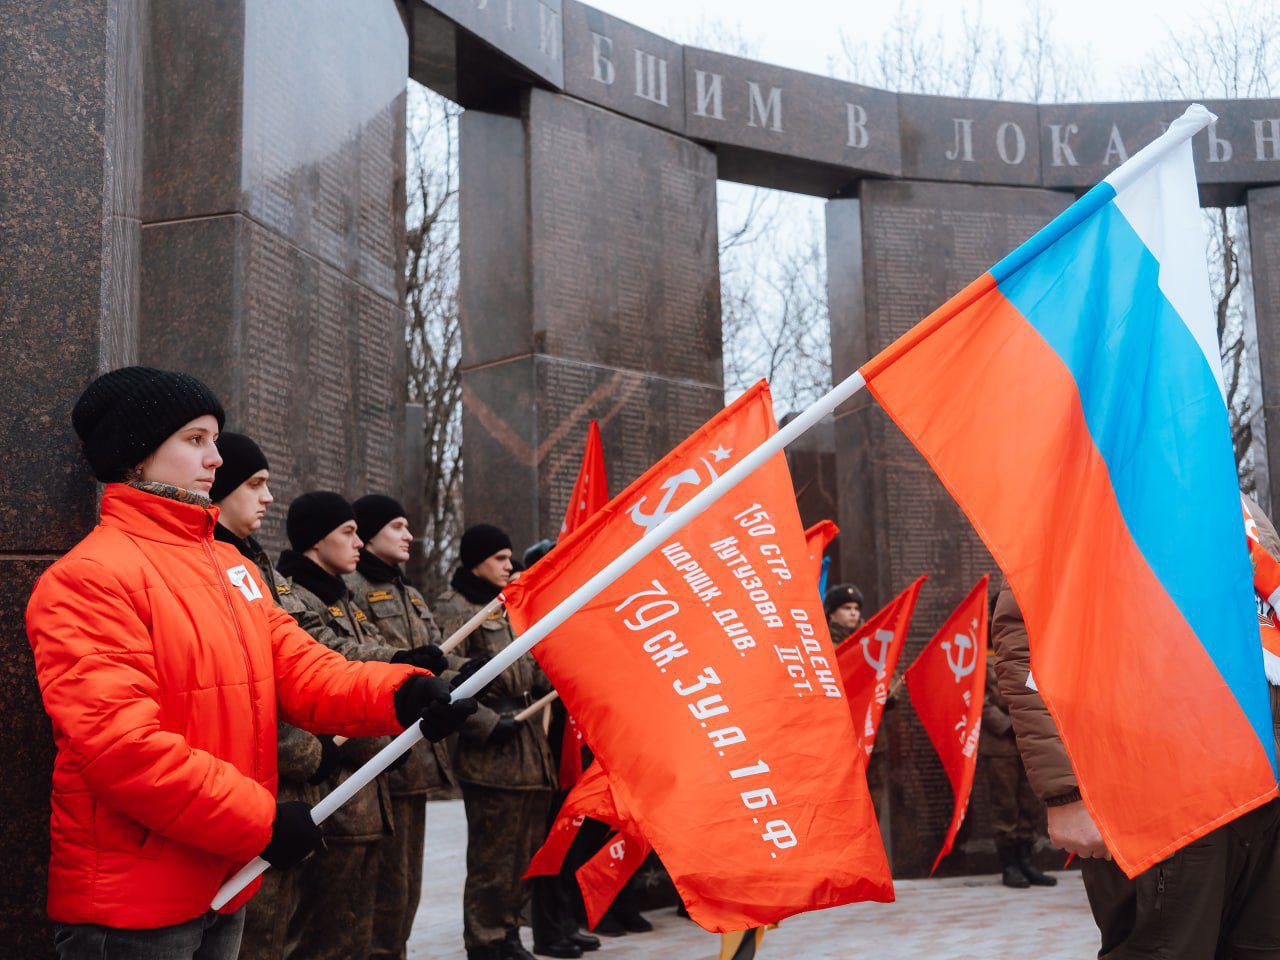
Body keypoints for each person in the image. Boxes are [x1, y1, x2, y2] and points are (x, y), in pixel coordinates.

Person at [26, 366, 475, 960]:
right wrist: (260, 822)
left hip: (225, 882)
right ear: (136, 455)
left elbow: (303, 670)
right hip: (134, 905)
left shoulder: (229, 568)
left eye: (214, 438)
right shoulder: (90, 579)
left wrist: (403, 694)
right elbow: (122, 749)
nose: (215, 458)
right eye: (195, 440)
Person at [991, 493, 1280, 957]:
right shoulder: (1082, 486)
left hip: (1261, 795)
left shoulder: (1237, 500)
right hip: (1158, 797)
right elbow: (1026, 640)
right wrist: (1066, 792)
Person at [277, 491, 441, 960]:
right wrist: (401, 665)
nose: (358, 544)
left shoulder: (344, 597)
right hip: (332, 792)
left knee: (368, 926)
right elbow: (334, 663)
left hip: (369, 790)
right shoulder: (297, 598)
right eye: (348, 533)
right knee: (323, 937)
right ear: (315, 539)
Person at [209, 432, 331, 959]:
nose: (267, 498)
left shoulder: (252, 571)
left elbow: (313, 664)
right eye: (255, 484)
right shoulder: (215, 571)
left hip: (284, 801)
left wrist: (399, 687)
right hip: (242, 805)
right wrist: (316, 751)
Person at [437, 525, 558, 960]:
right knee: (492, 856)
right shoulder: (457, 608)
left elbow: (528, 666)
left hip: (527, 744)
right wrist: (487, 723)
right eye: (500, 558)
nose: (510, 566)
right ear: (476, 562)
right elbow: (447, 677)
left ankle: (509, 930)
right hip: (493, 750)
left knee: (522, 852)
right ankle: (486, 938)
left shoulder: (508, 605)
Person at [347, 493, 459, 960]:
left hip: (416, 758)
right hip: (379, 755)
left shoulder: (409, 593)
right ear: (368, 533)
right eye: (396, 526)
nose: (408, 535)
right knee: (377, 887)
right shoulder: (351, 589)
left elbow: (435, 654)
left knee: (406, 885)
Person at [978, 631, 1055, 890]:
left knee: (1029, 802)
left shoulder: (1032, 653)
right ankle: (1009, 864)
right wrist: (1009, 724)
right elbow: (981, 701)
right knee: (1005, 804)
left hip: (1030, 739)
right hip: (1001, 744)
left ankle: (1026, 860)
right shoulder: (983, 657)